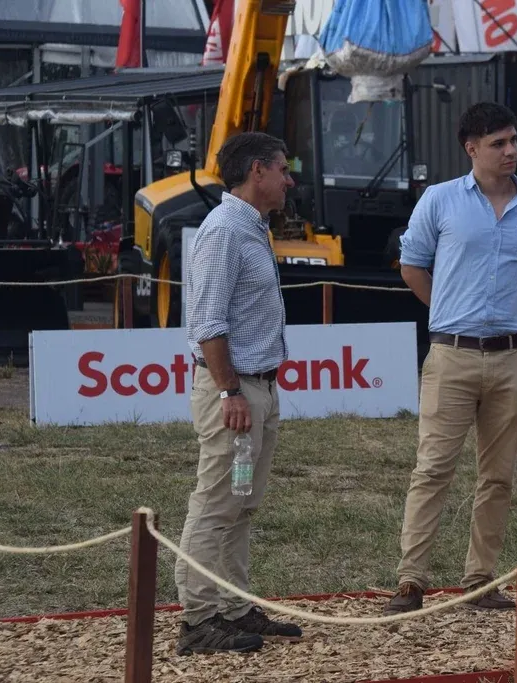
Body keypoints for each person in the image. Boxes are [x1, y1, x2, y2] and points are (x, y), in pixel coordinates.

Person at [382, 101, 517, 615]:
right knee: (432, 469)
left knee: (499, 476)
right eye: (497, 143)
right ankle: (411, 581)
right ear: (471, 148)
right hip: (452, 354)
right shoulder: (439, 200)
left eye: (513, 140)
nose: (510, 151)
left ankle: (480, 580)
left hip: (514, 356)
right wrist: (447, 310)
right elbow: (412, 265)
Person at [175, 131, 304, 655]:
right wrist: (230, 392)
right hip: (236, 392)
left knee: (242, 501)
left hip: (256, 388)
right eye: (283, 169)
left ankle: (232, 606)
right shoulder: (224, 231)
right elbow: (208, 323)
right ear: (257, 171)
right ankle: (198, 618)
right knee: (216, 502)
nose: (289, 180)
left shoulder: (250, 228)